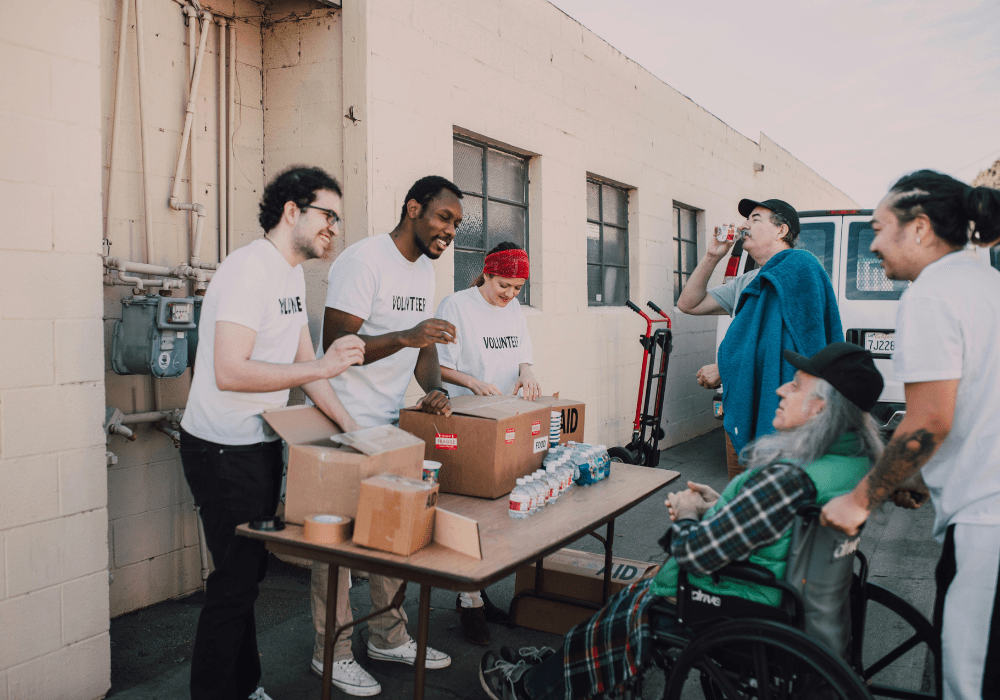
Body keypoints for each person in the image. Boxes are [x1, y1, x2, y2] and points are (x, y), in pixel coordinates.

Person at [479, 342, 884, 700]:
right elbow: (777, 526)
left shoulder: (789, 476)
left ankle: (537, 687)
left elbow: (699, 554)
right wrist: (721, 505)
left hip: (739, 597)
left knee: (635, 602)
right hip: (794, 595)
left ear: (822, 407)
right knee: (630, 599)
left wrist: (690, 514)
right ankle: (563, 668)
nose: (781, 389)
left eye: (796, 384)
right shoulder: (852, 464)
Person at [178, 166, 365, 700]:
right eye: (327, 214)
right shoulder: (248, 271)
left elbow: (304, 364)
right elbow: (230, 371)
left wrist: (356, 432)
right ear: (292, 211)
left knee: (246, 576)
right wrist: (322, 369)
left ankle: (246, 684)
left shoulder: (289, 275)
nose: (334, 227)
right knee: (234, 584)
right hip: (219, 448)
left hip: (258, 443)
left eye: (336, 219)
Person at [820, 170, 1000, 700]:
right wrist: (917, 476)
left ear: (919, 228)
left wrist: (859, 501)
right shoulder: (986, 284)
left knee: (968, 685)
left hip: (988, 524)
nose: (872, 243)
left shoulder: (931, 295)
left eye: (879, 227)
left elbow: (928, 423)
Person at [308, 175, 463, 696]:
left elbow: (424, 347)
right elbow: (335, 344)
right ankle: (330, 656)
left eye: (457, 225)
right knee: (337, 550)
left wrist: (436, 388)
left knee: (392, 536)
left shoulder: (423, 272)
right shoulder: (364, 260)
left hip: (390, 426)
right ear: (413, 208)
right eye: (443, 218)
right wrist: (405, 336)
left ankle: (387, 638)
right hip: (340, 423)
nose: (450, 232)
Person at [677, 198, 843, 480]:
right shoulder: (748, 281)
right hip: (743, 408)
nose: (744, 226)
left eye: (755, 219)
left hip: (787, 415)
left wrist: (725, 368)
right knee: (741, 497)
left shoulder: (802, 268)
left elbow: (799, 346)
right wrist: (712, 256)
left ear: (781, 230)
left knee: (775, 502)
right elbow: (688, 304)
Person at [435, 241, 538, 644]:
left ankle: (476, 593)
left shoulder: (513, 309)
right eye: (503, 286)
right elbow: (436, 363)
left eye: (517, 288)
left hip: (506, 418)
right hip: (468, 421)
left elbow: (523, 355)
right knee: (471, 512)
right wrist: (470, 381)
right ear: (487, 274)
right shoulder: (456, 306)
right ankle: (470, 600)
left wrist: (528, 373)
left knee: (499, 514)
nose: (510, 295)